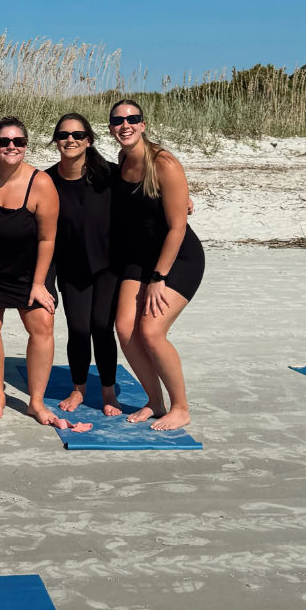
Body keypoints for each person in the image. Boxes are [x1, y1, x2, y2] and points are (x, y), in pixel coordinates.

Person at [109, 99, 205, 430]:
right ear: (111, 128)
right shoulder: (122, 160)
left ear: (143, 124)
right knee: (124, 328)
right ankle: (155, 400)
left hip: (177, 258)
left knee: (151, 331)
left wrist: (158, 277)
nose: (126, 125)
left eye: (132, 119)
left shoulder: (164, 164)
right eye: (118, 120)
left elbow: (177, 228)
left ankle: (181, 407)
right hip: (139, 257)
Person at [0, 117, 60, 425]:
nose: (11, 147)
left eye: (18, 142)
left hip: (29, 271)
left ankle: (36, 401)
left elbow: (47, 238)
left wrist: (39, 283)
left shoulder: (40, 183)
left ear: (25, 146)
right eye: (4, 141)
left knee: (42, 325)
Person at [45, 113, 123, 416]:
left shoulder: (110, 175)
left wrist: (182, 198)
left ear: (88, 140)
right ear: (56, 141)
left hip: (108, 266)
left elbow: (146, 190)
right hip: (70, 268)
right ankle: (78, 389)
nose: (70, 140)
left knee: (102, 328)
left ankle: (107, 391)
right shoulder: (47, 180)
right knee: (78, 329)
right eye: (64, 135)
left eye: (78, 135)